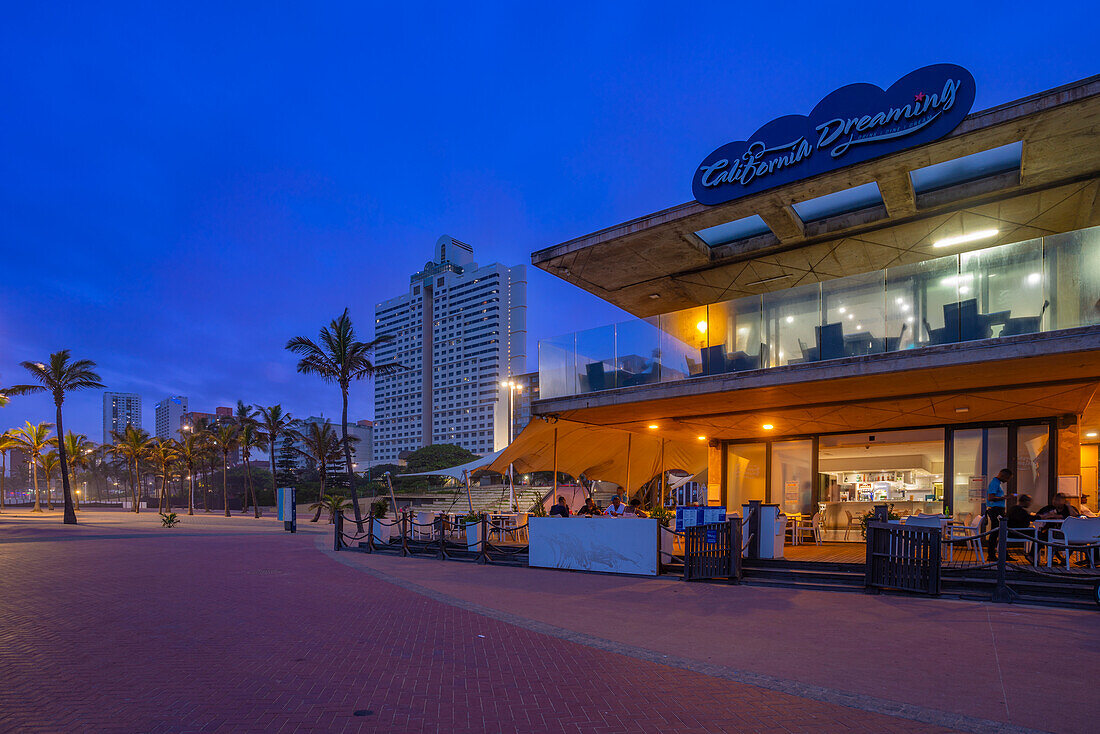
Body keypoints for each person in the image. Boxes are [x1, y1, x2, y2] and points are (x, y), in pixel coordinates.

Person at [985, 469, 1012, 561]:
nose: (1008, 481)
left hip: (997, 510)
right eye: (1008, 478)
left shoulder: (997, 483)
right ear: (1003, 476)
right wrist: (1003, 497)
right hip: (996, 511)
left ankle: (1003, 554)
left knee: (1000, 532)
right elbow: (991, 498)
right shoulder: (995, 483)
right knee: (995, 532)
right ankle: (991, 555)